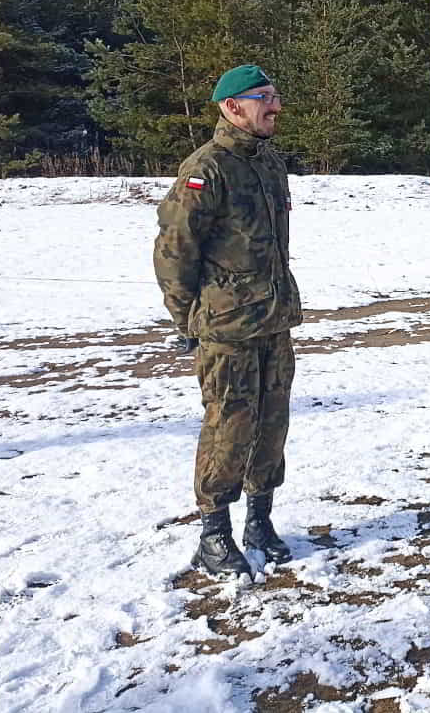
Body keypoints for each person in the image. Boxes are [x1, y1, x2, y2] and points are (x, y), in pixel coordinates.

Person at [154, 64, 303, 579]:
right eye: (264, 97)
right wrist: (189, 322)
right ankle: (213, 534)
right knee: (228, 427)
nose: (276, 106)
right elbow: (174, 252)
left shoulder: (268, 163)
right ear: (232, 107)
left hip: (273, 320)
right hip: (226, 327)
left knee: (272, 425)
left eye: (275, 95)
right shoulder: (207, 168)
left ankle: (259, 521)